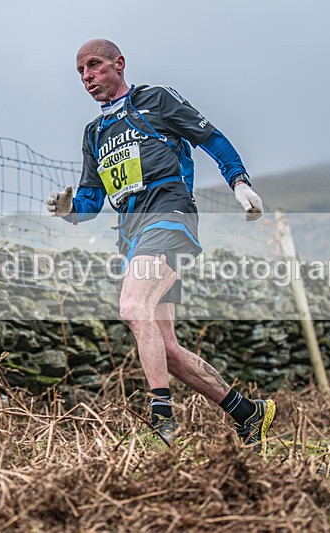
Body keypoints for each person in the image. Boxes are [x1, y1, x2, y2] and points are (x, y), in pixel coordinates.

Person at [46, 39, 276, 452]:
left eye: (94, 66)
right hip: (133, 235)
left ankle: (161, 418)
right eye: (80, 72)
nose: (87, 77)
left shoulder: (155, 100)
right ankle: (247, 412)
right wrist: (67, 209)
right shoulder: (94, 132)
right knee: (166, 348)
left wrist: (240, 182)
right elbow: (89, 204)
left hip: (170, 219)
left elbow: (212, 138)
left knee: (132, 307)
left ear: (119, 64)